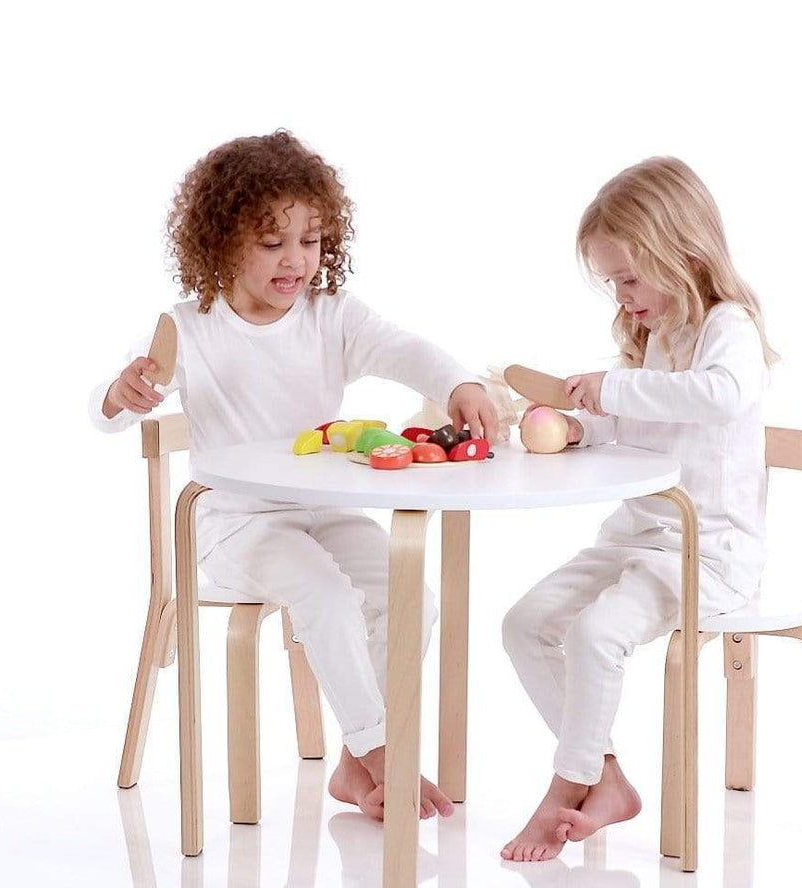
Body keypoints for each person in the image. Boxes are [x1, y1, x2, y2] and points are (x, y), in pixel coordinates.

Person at [89, 130, 498, 821]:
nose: (296, 260)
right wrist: (122, 394)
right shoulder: (188, 328)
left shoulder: (330, 317)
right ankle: (379, 753)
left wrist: (456, 380)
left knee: (411, 598)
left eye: (309, 241)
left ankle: (351, 759)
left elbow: (404, 349)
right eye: (272, 242)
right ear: (221, 243)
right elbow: (109, 412)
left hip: (325, 512)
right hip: (234, 524)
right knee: (326, 597)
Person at [500, 156, 779, 861]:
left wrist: (614, 390)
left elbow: (718, 396)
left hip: (707, 550)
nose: (622, 297)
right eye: (612, 283)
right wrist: (577, 426)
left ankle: (564, 787)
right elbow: (637, 428)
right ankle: (608, 778)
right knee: (525, 623)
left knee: (597, 635)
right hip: (638, 537)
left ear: (681, 253)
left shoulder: (728, 328)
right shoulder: (653, 338)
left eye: (628, 277)